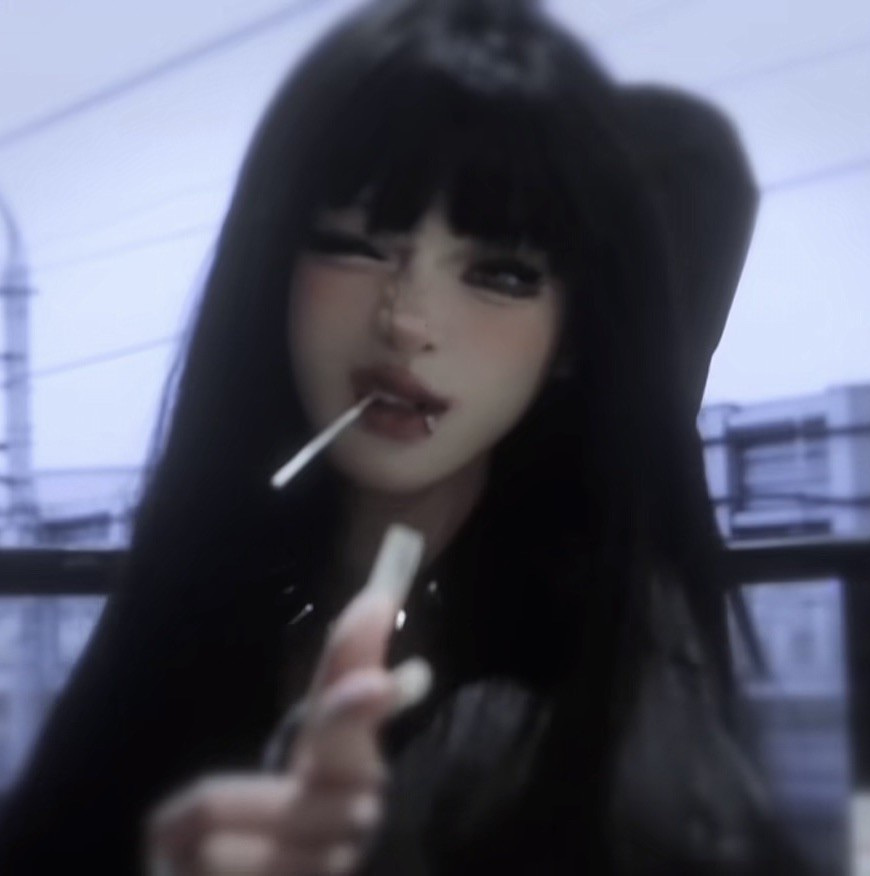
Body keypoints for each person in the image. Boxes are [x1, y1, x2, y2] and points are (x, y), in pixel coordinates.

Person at [0, 0, 807, 872]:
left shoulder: (602, 708)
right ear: (272, 267)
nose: (406, 320)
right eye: (352, 243)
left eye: (501, 272)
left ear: (574, 338)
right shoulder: (201, 599)